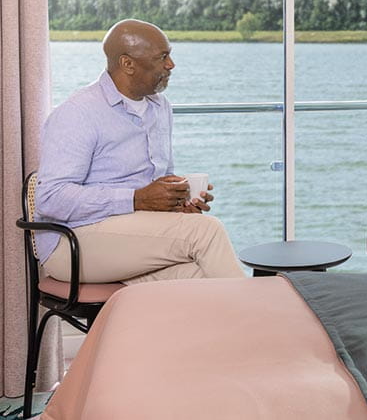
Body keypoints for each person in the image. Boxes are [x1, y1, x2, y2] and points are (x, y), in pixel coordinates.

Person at [35, 19, 244, 285]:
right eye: (162, 57)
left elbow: (157, 180)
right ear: (127, 64)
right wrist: (136, 199)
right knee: (207, 231)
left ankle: (246, 322)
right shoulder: (78, 113)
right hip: (72, 244)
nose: (171, 65)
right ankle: (265, 323)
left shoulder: (160, 107)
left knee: (202, 279)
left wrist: (177, 202)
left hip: (132, 237)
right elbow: (50, 199)